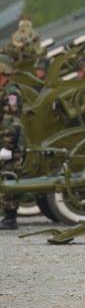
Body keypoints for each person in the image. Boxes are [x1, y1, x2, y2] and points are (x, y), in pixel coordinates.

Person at [0, 55, 24, 229]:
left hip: (10, 144)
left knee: (10, 176)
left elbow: (12, 120)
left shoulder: (11, 92)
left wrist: (8, 146)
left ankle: (10, 217)